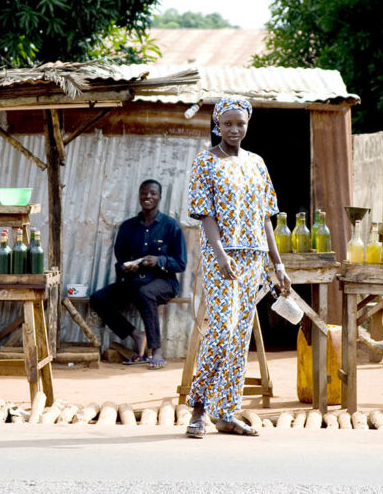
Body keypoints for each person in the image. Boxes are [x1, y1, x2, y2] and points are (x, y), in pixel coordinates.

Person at [185, 96, 291, 438]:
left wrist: (278, 265)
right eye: (227, 123)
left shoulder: (257, 164)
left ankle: (226, 413)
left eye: (240, 123)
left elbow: (264, 219)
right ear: (217, 124)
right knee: (222, 331)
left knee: (240, 336)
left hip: (254, 259)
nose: (234, 129)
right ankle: (199, 408)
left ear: (247, 125)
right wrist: (218, 253)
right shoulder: (205, 162)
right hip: (223, 258)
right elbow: (206, 215)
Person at [88, 179, 186, 370]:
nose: (148, 197)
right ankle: (136, 334)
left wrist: (160, 261)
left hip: (163, 282)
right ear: (139, 196)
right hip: (134, 281)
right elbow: (120, 260)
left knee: (146, 293)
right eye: (144, 193)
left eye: (153, 193)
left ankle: (156, 350)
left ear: (159, 197)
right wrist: (125, 268)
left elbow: (181, 263)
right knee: (98, 299)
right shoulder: (127, 227)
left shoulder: (170, 226)